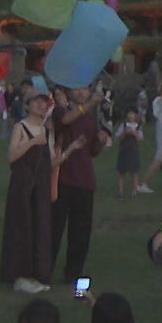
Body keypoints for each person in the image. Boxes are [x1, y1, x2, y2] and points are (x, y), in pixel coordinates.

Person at [1, 90, 75, 294]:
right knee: (22, 228)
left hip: (40, 187)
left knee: (39, 228)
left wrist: (69, 151)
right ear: (28, 105)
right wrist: (33, 142)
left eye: (44, 103)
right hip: (23, 186)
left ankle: (36, 274)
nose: (41, 106)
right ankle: (20, 275)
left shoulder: (47, 131)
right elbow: (12, 156)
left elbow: (50, 162)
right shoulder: (21, 127)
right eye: (37, 103)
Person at [49, 87, 106, 292]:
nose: (82, 93)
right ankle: (44, 270)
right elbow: (64, 122)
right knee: (54, 228)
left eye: (85, 89)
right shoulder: (61, 111)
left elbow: (92, 151)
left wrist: (100, 141)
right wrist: (89, 104)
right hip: (63, 178)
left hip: (84, 180)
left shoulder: (90, 118)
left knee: (81, 231)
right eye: (78, 89)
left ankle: (73, 272)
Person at [114, 106, 144, 200]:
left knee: (134, 172)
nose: (131, 115)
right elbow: (118, 138)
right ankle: (120, 192)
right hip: (124, 151)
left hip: (133, 151)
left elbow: (140, 140)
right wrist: (124, 133)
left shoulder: (138, 127)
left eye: (133, 114)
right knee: (121, 172)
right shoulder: (123, 125)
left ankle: (134, 191)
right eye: (129, 113)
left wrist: (134, 133)